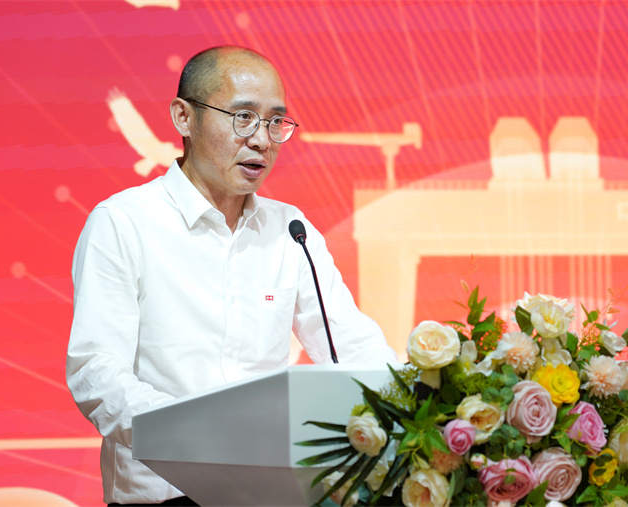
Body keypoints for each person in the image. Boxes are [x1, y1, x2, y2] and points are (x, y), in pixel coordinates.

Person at [66, 46, 398, 506]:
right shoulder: (124, 223)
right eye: (243, 118)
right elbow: (97, 373)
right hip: (167, 495)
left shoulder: (290, 230)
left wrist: (414, 406)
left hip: (272, 493)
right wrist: (202, 437)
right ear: (184, 118)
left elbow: (353, 346)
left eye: (275, 122)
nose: (262, 140)